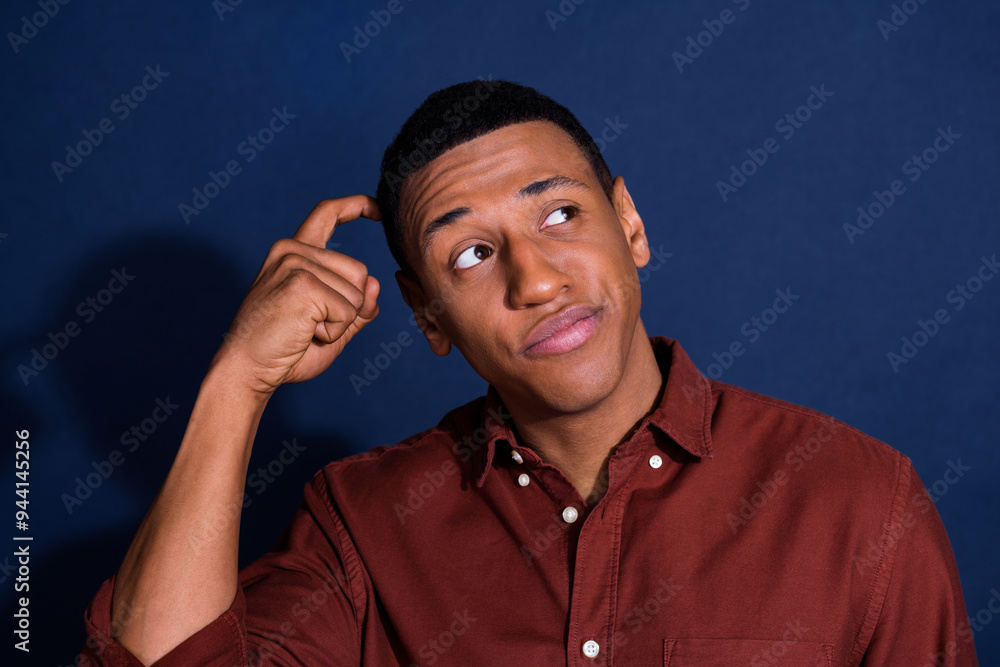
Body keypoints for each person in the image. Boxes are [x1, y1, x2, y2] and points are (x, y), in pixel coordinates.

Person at [80, 80, 978, 666]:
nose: (537, 279)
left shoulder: (860, 500)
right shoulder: (360, 523)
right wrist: (239, 379)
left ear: (630, 226)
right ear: (426, 313)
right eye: (471, 253)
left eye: (559, 215)